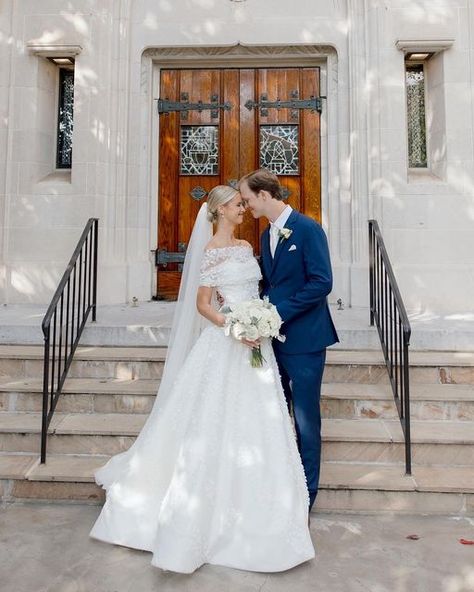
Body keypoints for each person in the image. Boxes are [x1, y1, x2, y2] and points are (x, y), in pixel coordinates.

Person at [89, 185, 314, 574]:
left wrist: (257, 318)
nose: (244, 208)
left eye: (244, 203)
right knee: (214, 419)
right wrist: (235, 326)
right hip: (228, 341)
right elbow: (203, 305)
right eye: (238, 204)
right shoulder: (210, 253)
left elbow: (255, 290)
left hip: (256, 343)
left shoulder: (246, 248)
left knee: (259, 422)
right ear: (220, 210)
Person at [239, 170, 339, 512]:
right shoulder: (267, 233)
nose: (247, 205)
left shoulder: (309, 229)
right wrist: (251, 312)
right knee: (278, 416)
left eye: (249, 199)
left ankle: (307, 495)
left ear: (265, 195)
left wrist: (278, 312)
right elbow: (271, 283)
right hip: (272, 342)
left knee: (306, 419)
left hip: (306, 340)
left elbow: (321, 282)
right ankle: (282, 486)